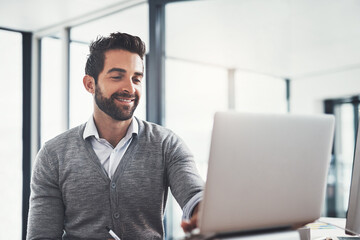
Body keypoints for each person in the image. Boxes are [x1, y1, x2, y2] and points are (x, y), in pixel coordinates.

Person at [27, 32, 204, 240]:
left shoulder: (166, 144)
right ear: (90, 84)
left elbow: (195, 196)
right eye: (117, 76)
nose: (130, 88)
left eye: (136, 79)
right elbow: (42, 235)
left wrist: (204, 214)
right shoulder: (53, 155)